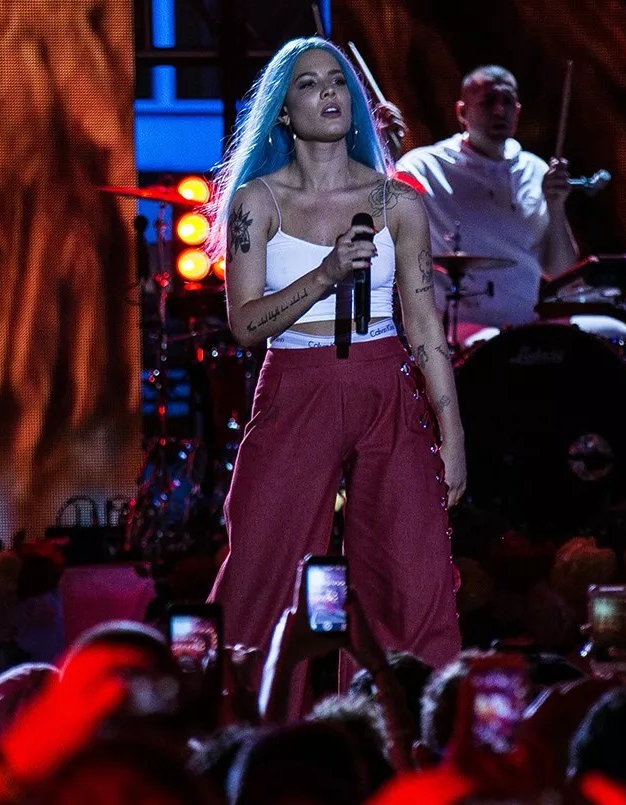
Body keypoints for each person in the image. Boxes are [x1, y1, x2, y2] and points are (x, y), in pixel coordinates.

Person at [203, 38, 464, 692]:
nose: (328, 92)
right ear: (283, 111)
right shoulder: (256, 202)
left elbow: (424, 324)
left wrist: (453, 432)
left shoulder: (398, 203)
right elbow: (245, 325)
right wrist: (324, 275)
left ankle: (401, 729)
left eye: (338, 81)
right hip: (296, 384)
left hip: (385, 383)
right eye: (309, 83)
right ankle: (251, 727)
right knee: (263, 572)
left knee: (411, 575)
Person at [396, 65, 623, 346]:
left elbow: (559, 270)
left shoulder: (535, 171)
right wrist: (388, 147)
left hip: (527, 322)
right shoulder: (424, 166)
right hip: (461, 324)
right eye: (488, 101)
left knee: (615, 333)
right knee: (496, 346)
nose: (499, 110)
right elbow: (384, 200)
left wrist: (556, 206)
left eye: (507, 102)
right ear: (462, 112)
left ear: (517, 110)